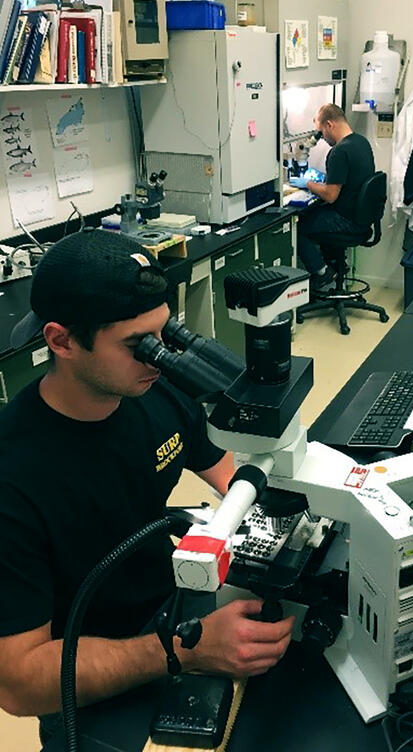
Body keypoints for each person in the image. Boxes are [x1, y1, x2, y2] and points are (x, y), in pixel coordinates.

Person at [0, 229, 294, 734]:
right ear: (61, 340)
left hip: (173, 612)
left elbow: (232, 475)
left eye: (167, 335)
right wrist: (184, 651)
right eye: (139, 345)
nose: (160, 356)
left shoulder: (153, 389)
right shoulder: (13, 475)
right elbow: (19, 682)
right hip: (88, 679)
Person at [293, 103, 375, 290]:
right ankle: (336, 265)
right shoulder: (361, 142)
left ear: (329, 125)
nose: (321, 138)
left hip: (346, 221)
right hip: (361, 218)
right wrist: (323, 180)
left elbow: (330, 196)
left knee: (298, 225)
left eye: (320, 132)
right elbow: (350, 180)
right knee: (316, 213)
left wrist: (308, 184)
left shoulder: (338, 151)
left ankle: (322, 272)